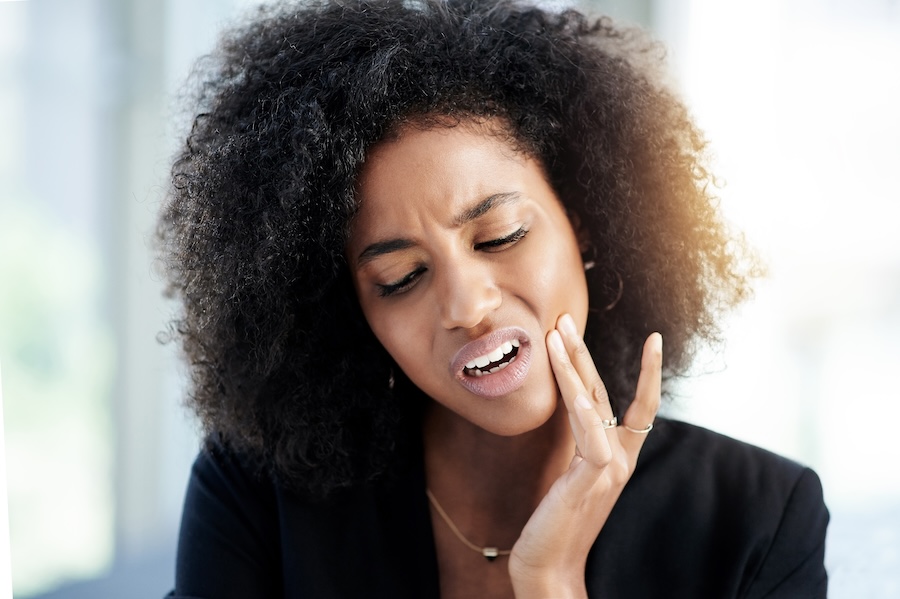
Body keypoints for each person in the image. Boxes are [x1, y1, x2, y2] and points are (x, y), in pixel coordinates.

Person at [158, 1, 829, 597]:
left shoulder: (759, 520)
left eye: (501, 235)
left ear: (587, 220)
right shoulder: (259, 494)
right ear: (353, 312)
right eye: (401, 278)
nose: (467, 305)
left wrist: (550, 583)